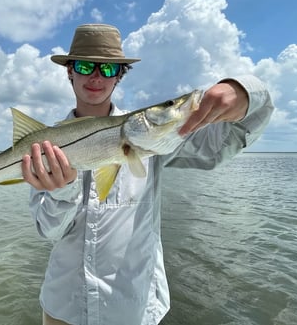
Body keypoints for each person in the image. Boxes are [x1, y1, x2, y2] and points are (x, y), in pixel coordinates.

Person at [21, 24, 274, 325]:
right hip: (63, 309)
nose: (96, 76)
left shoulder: (156, 139)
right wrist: (62, 191)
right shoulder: (45, 147)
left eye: (109, 69)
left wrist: (245, 91)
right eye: (86, 65)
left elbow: (223, 145)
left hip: (132, 310)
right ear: (70, 72)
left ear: (119, 76)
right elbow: (48, 232)